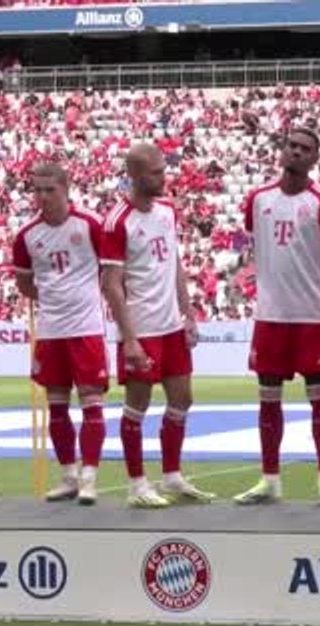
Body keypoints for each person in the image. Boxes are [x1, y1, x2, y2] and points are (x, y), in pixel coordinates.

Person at [233, 128, 320, 506]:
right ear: (282, 151)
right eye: (292, 146)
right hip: (270, 315)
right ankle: (270, 479)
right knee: (269, 398)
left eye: (306, 149)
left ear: (315, 158)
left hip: (310, 316)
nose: (297, 153)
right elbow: (254, 241)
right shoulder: (257, 198)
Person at [100, 143, 213, 508]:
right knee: (138, 405)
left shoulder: (167, 211)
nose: (164, 177)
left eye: (164, 170)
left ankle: (173, 477)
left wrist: (188, 313)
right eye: (156, 172)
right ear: (134, 175)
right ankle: (136, 484)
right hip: (142, 329)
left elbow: (175, 264)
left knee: (183, 398)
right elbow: (111, 284)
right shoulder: (118, 221)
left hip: (171, 326)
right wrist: (129, 339)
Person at [13, 163, 109, 506]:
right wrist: (54, 299)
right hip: (52, 330)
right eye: (37, 190)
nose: (42, 196)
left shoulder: (90, 225)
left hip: (86, 328)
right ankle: (68, 474)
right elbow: (24, 282)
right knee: (57, 406)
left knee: (91, 404)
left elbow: (110, 271)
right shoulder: (26, 235)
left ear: (66, 189)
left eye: (49, 189)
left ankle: (89, 476)